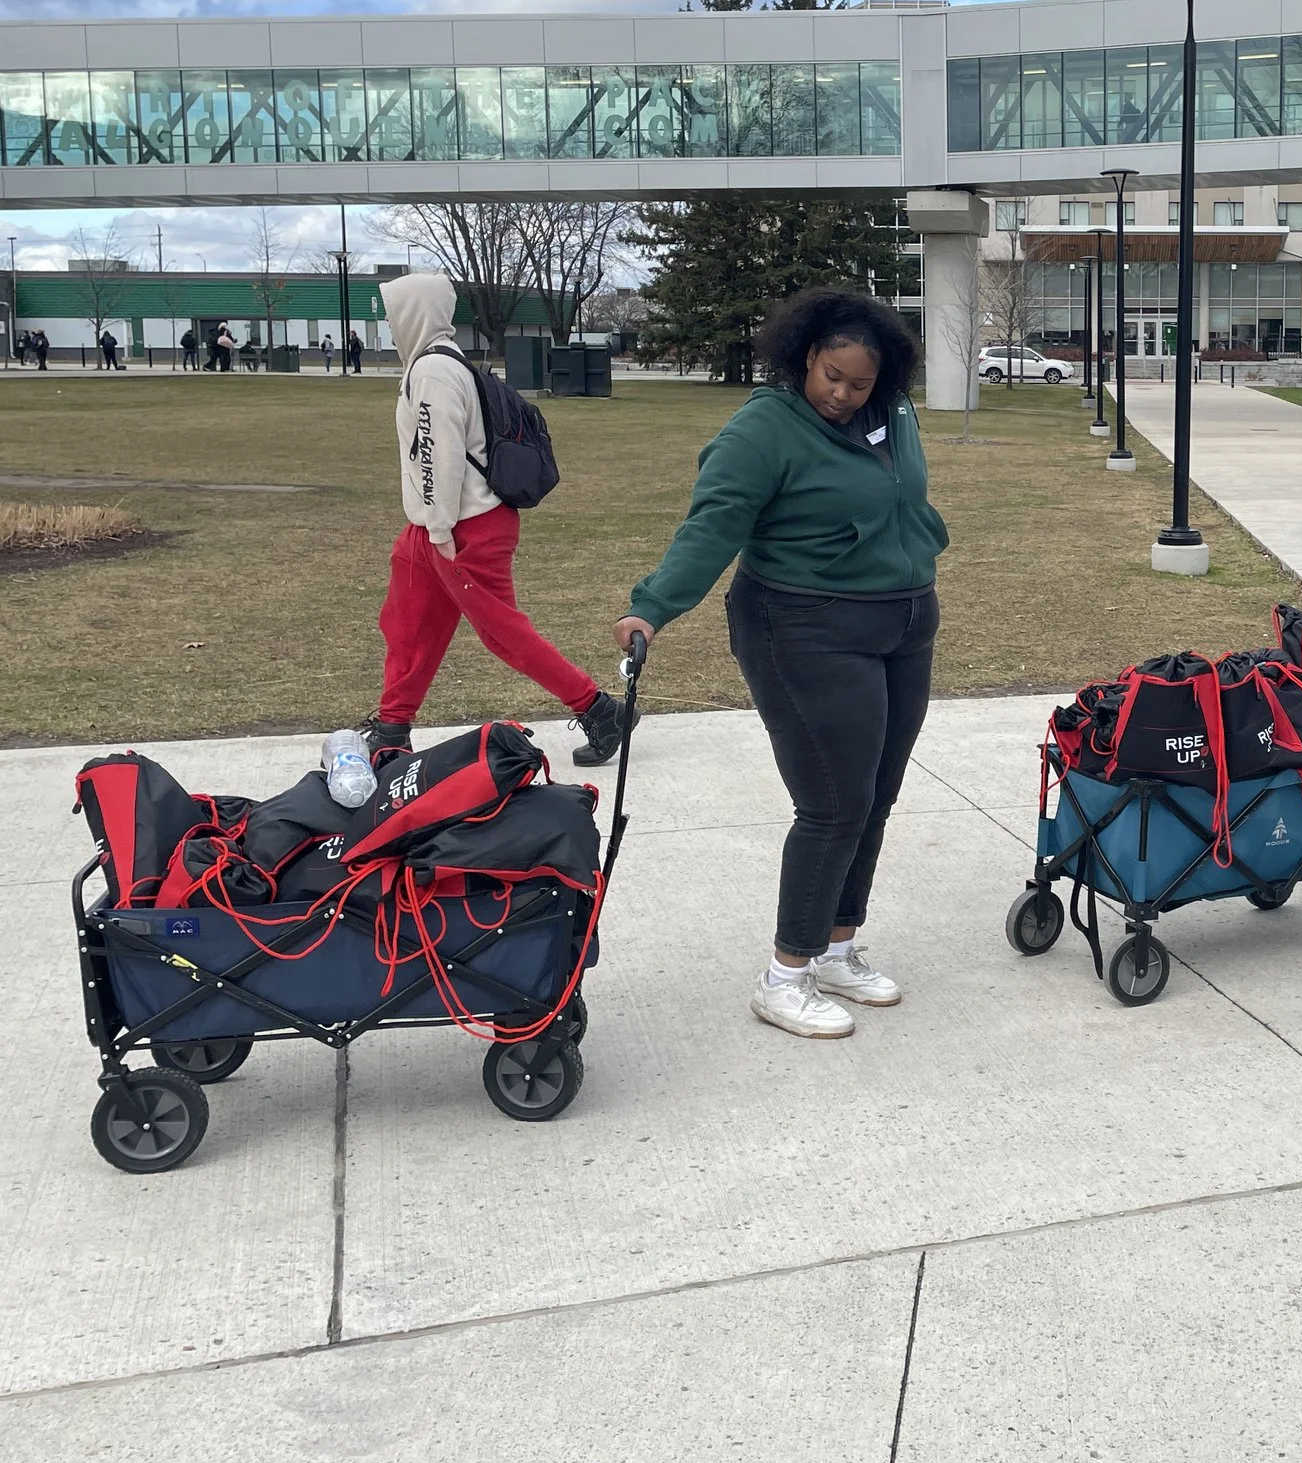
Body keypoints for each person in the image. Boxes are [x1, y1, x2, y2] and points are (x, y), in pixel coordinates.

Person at [613, 290, 947, 1042]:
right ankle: (784, 975)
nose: (842, 394)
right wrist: (653, 605)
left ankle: (836, 947)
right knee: (833, 802)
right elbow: (714, 522)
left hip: (902, 622)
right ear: (805, 356)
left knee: (876, 794)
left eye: (860, 383)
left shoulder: (891, 414)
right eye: (833, 375)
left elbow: (901, 500)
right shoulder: (764, 428)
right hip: (803, 628)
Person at [362, 272, 625, 771]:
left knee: (502, 632)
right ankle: (392, 729)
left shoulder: (434, 372)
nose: (390, 321)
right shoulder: (435, 364)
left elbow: (438, 456)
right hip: (438, 526)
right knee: (406, 625)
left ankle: (598, 708)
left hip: (462, 528)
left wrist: (439, 529)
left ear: (414, 313)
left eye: (394, 310)